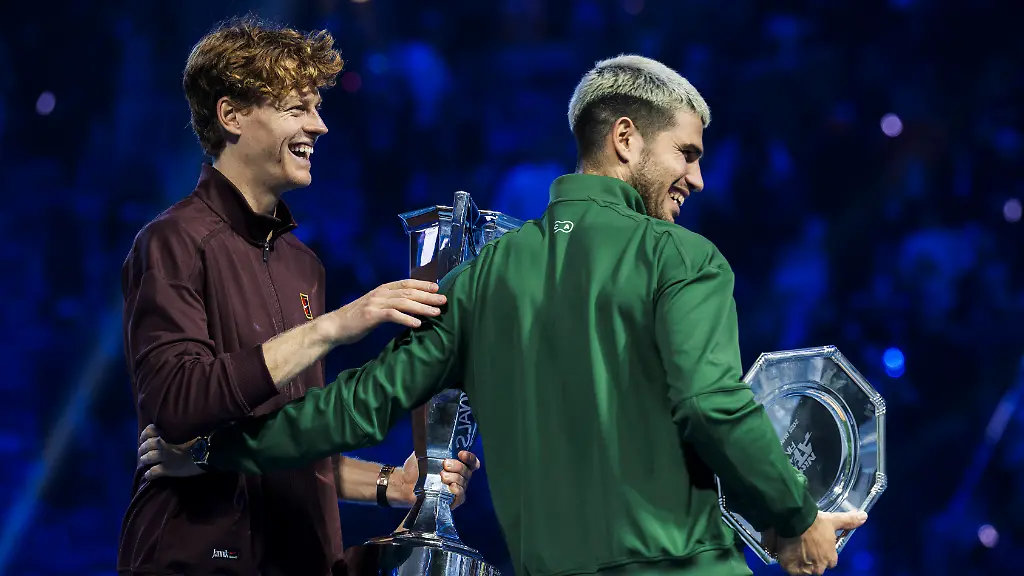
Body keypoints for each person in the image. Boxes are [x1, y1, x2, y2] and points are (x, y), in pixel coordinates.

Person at [142, 55, 867, 576]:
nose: (699, 178)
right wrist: (795, 519)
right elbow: (711, 407)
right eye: (687, 153)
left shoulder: (483, 277)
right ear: (625, 139)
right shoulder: (683, 257)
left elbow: (358, 403)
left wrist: (215, 452)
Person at [118, 16, 479, 576]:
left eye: (317, 107)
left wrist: (392, 483)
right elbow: (178, 405)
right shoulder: (173, 241)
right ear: (231, 116)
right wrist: (333, 326)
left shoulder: (302, 264)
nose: (320, 125)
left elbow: (290, 440)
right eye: (296, 108)